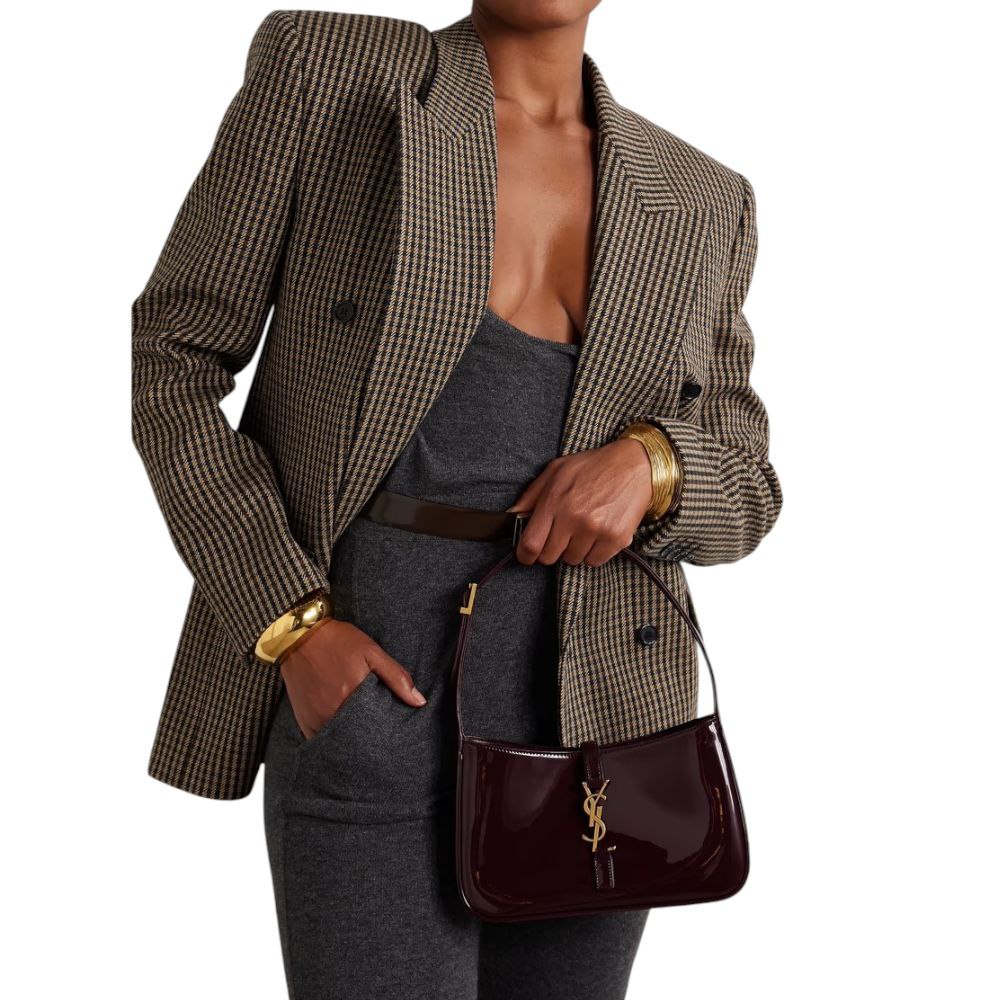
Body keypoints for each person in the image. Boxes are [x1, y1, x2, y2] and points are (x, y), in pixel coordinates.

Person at [131, 3, 782, 997]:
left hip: (603, 733)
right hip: (374, 697)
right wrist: (291, 625)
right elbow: (171, 358)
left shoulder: (699, 197)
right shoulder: (333, 77)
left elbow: (746, 479)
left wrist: (652, 464)